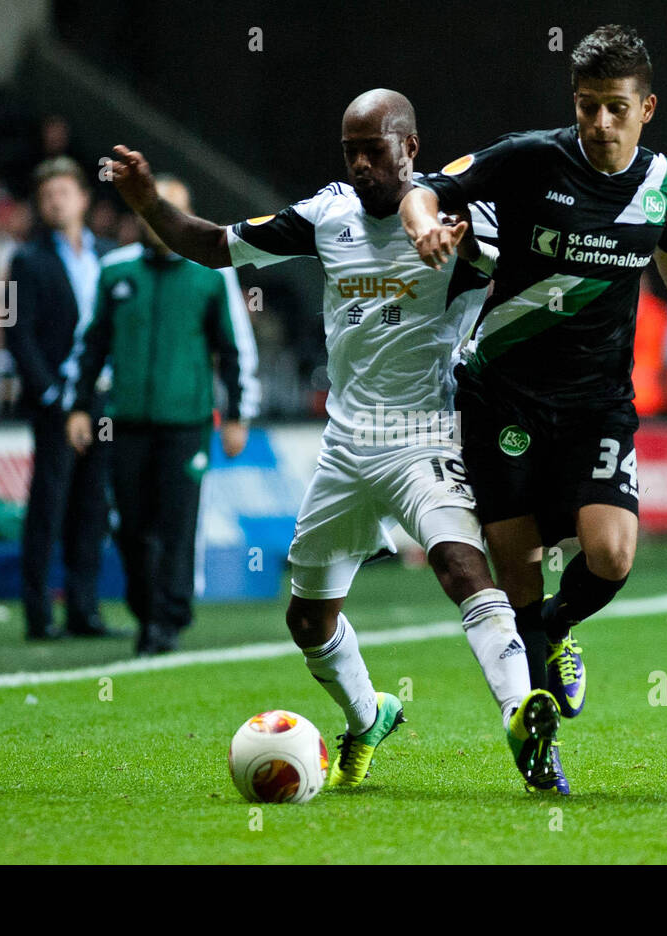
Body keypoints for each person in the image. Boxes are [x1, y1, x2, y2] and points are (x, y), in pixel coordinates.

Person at [108, 88, 566, 793]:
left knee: (459, 567)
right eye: (349, 150)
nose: (359, 164)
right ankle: (368, 712)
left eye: (373, 150)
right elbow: (212, 244)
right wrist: (147, 202)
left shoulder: (466, 224)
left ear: (410, 148)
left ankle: (519, 715)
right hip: (346, 449)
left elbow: (536, 282)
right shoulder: (327, 215)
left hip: (424, 437)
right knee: (307, 618)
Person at [400, 25, 667, 789]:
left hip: (598, 403)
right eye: (586, 107)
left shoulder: (664, 183)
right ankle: (541, 753)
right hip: (500, 395)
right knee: (520, 571)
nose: (598, 124)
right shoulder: (534, 157)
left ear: (647, 109)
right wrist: (423, 228)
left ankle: (559, 628)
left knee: (610, 554)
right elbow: (427, 187)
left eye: (614, 108)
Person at [65, 174, 259, 656]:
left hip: (186, 423)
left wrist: (237, 413)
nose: (161, 222)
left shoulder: (211, 273)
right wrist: (79, 407)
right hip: (126, 422)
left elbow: (233, 349)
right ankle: (148, 608)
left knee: (177, 523)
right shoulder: (116, 272)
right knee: (130, 525)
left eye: (172, 211)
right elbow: (91, 346)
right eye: (154, 211)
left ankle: (166, 618)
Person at [5, 157, 116, 642]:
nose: (56, 202)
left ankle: (83, 610)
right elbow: (19, 333)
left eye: (64, 193)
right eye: (48, 195)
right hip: (58, 403)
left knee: (92, 507)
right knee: (48, 505)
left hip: (103, 399)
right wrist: (52, 394)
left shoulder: (109, 256)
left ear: (83, 199)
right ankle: (37, 614)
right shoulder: (27, 260)